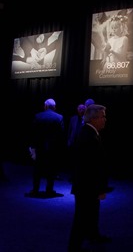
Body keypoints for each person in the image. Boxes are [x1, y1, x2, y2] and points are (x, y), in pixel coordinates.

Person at [68, 104, 112, 252]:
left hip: (86, 186)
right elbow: (91, 168)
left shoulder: (90, 133)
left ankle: (93, 235)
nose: (105, 120)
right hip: (87, 187)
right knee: (81, 219)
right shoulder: (89, 136)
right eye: (103, 116)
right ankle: (74, 247)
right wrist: (100, 189)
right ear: (94, 118)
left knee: (90, 215)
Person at [26, 98, 65, 197]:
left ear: (46, 105)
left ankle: (35, 190)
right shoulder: (59, 117)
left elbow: (33, 133)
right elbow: (61, 134)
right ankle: (49, 189)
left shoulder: (38, 116)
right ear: (54, 106)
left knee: (37, 170)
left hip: (39, 147)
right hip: (53, 148)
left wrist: (33, 146)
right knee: (51, 170)